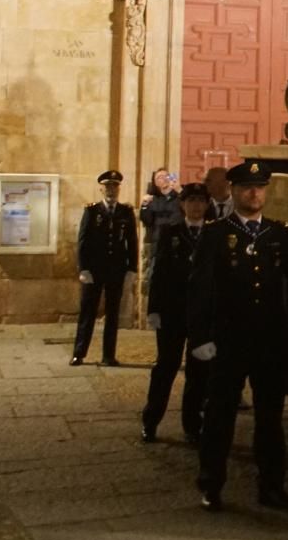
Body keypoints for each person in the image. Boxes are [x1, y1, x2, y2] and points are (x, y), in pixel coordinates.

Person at [188, 161, 288, 512]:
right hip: (229, 340)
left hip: (269, 341)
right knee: (220, 416)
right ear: (234, 191)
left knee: (270, 418)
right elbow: (200, 288)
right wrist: (200, 336)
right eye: (247, 188)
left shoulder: (278, 233)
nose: (254, 194)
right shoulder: (215, 233)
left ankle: (272, 486)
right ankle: (211, 484)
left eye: (259, 187)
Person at [140, 183, 211, 444]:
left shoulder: (214, 235)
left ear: (207, 205)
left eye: (200, 201)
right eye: (191, 200)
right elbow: (159, 272)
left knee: (198, 372)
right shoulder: (171, 232)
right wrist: (154, 309)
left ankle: (192, 425)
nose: (195, 205)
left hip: (202, 315)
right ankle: (151, 421)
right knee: (165, 368)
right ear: (182, 204)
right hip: (173, 312)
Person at [72, 170, 138, 367]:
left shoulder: (126, 212)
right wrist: (83, 268)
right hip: (94, 270)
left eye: (115, 186)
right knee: (88, 311)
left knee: (113, 313)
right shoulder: (92, 211)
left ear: (119, 189)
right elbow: (83, 241)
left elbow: (132, 242)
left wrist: (132, 269)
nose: (111, 190)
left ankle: (109, 355)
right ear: (101, 189)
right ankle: (79, 353)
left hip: (116, 270)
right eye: (108, 186)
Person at [138, 167, 181, 287]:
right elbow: (147, 221)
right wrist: (144, 205)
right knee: (154, 280)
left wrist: (179, 190)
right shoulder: (153, 200)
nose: (163, 179)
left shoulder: (180, 197)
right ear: (155, 183)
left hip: (177, 244)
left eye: (166, 176)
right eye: (159, 177)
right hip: (157, 244)